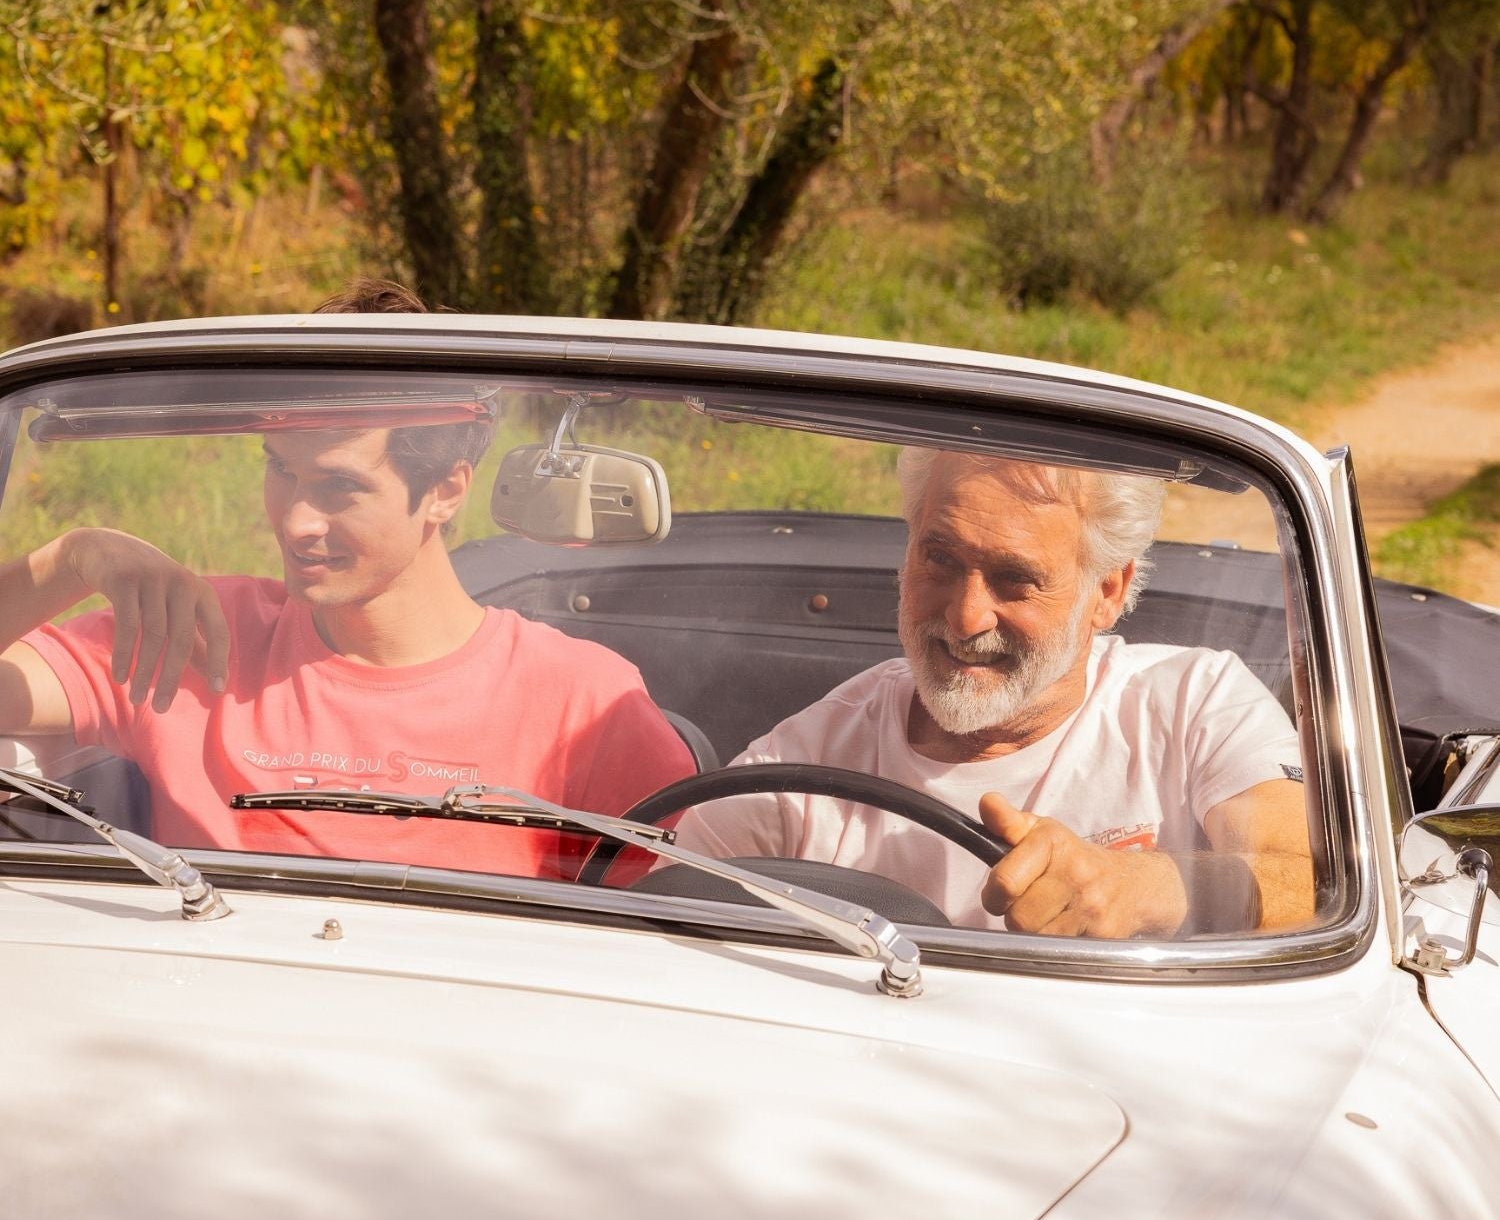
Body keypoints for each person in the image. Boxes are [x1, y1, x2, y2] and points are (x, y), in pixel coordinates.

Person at [0, 280, 695, 878]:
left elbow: (676, 942)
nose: (296, 520)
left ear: (447, 491)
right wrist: (70, 559)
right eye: (281, 470)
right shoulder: (195, 634)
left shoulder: (585, 705)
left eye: (338, 486)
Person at [675, 449, 1314, 937]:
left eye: (1016, 580)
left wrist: (1142, 886)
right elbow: (655, 936)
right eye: (940, 561)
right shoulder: (794, 771)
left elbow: (1317, 884)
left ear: (1107, 593)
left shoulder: (1195, 702)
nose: (965, 617)